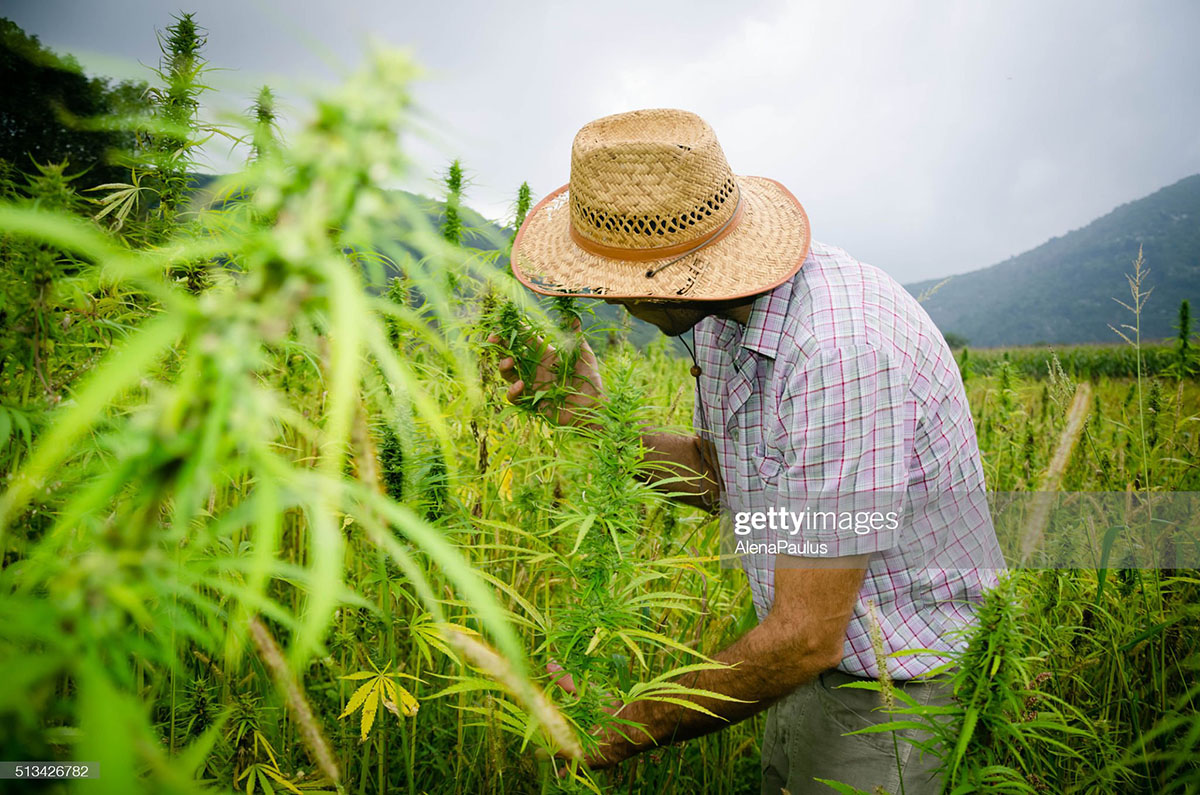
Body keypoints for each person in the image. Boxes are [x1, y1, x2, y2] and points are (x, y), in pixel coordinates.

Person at [493, 108, 1003, 795]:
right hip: (795, 672)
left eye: (616, 278)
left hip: (892, 699)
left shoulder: (837, 352)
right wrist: (593, 420)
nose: (611, 298)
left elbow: (806, 633)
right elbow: (720, 476)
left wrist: (624, 723)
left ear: (680, 274)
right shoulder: (718, 321)